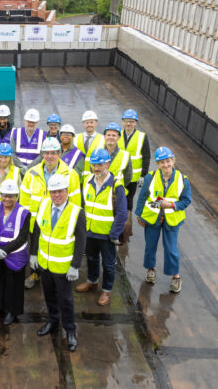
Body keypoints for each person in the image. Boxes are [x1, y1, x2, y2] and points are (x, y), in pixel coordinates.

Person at [30, 174, 86, 351]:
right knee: (49, 296)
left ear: (67, 192)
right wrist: (33, 254)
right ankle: (53, 321)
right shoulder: (45, 204)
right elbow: (37, 230)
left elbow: (81, 241)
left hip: (63, 267)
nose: (56, 196)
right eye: (53, 192)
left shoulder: (77, 212)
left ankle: (70, 330)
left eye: (60, 191)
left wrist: (75, 265)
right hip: (44, 264)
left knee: (66, 300)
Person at [20, 137, 82, 289]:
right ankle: (35, 273)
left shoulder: (70, 174)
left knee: (55, 248)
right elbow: (24, 200)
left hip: (59, 222)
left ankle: (56, 274)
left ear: (60, 153)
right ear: (42, 154)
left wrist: (71, 224)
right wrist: (26, 221)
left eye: (53, 153)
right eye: (46, 153)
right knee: (35, 249)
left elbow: (75, 202)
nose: (49, 156)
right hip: (36, 221)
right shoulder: (31, 173)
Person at [135, 147, 191, 293]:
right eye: (162, 162)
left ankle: (176, 277)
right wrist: (139, 215)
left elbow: (186, 201)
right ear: (158, 164)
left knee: (171, 248)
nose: (166, 165)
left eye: (168, 161)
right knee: (150, 246)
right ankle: (151, 269)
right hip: (152, 217)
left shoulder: (183, 180)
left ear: (173, 161)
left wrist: (172, 205)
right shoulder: (150, 177)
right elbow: (142, 197)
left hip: (172, 219)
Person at [76, 149, 128, 306]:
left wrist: (114, 234)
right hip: (90, 232)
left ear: (108, 164)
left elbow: (122, 213)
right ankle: (92, 281)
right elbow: (82, 205)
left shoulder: (116, 186)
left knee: (108, 263)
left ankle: (106, 290)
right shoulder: (87, 180)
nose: (96, 168)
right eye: (94, 165)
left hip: (106, 235)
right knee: (91, 258)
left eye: (99, 165)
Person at [0, 179, 31, 325]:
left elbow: (22, 237)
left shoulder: (24, 213)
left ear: (16, 196)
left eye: (11, 196)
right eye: (4, 195)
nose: (7, 199)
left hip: (14, 255)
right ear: (0, 195)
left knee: (13, 283)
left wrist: (4, 250)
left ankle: (12, 311)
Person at [118, 109, 151, 214]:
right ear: (123, 122)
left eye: (131, 121)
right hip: (118, 175)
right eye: (126, 121)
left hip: (133, 177)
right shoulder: (117, 135)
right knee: (117, 199)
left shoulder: (142, 137)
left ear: (135, 123)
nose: (129, 124)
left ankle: (127, 223)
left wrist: (143, 175)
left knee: (129, 200)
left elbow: (146, 157)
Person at [74, 110, 105, 182]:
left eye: (91, 122)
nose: (89, 125)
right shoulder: (75, 138)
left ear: (96, 123)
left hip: (94, 179)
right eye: (86, 122)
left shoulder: (103, 139)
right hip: (77, 178)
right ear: (83, 124)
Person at [103, 123, 132, 187]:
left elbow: (128, 177)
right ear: (105, 136)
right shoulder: (98, 153)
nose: (111, 137)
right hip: (100, 191)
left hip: (116, 193)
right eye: (108, 135)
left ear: (118, 137)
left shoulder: (125, 155)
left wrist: (119, 188)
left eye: (114, 135)